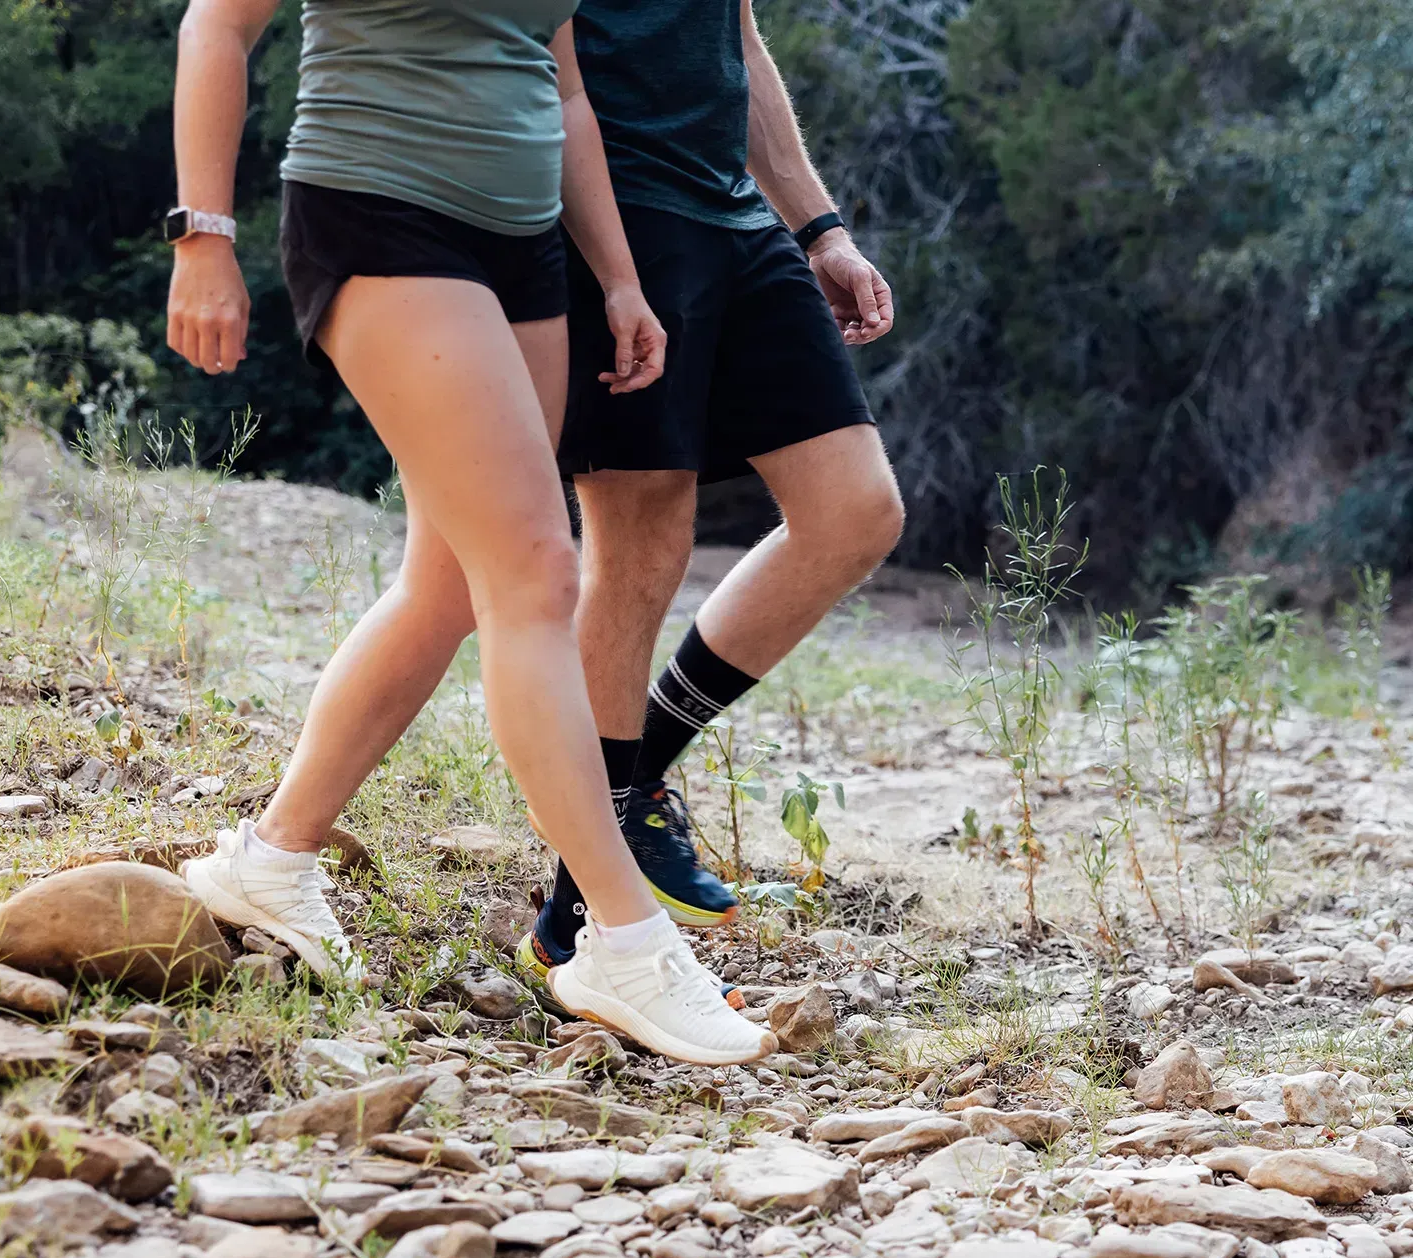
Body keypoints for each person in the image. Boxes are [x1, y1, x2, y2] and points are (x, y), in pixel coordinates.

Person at [165, 0, 775, 1066]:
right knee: (538, 569)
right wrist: (202, 237)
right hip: (376, 208)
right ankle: (624, 942)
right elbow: (215, 27)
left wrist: (620, 276)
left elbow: (567, 83)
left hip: (522, 240)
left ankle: (271, 858)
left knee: (448, 586)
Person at [514, 0, 906, 982]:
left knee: (854, 511)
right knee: (642, 542)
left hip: (734, 213)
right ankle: (580, 902)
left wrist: (818, 226)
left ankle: (633, 774)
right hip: (620, 216)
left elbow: (736, 38)